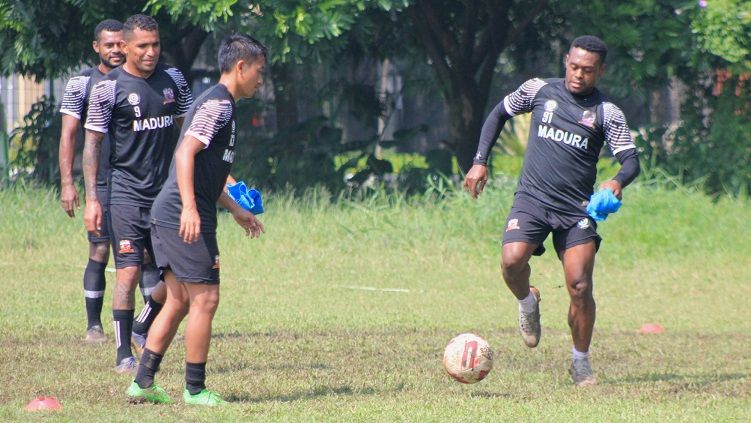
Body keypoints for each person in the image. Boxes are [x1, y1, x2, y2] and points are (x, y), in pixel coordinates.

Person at [463, 35, 640, 387]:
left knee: (579, 285)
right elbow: (499, 113)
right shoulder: (539, 89)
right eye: (574, 66)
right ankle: (528, 302)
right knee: (512, 262)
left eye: (587, 70)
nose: (578, 74)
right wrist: (480, 162)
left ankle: (580, 362)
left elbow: (631, 161)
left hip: (576, 209)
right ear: (566, 61)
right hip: (532, 199)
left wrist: (617, 181)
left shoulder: (607, 113)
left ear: (600, 71)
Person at [126, 33, 266, 406]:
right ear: (241, 67)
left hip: (177, 210)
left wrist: (235, 209)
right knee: (206, 299)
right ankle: (195, 389)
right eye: (259, 71)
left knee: (178, 300)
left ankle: (143, 382)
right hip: (180, 213)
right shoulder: (218, 104)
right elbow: (185, 154)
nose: (261, 79)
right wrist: (189, 207)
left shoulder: (223, 106)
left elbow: (206, 171)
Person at [82, 14, 193, 374]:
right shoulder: (107, 87)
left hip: (168, 196)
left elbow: (189, 129)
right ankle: (122, 353)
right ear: (125, 47)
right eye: (142, 46)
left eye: (156, 44)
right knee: (127, 274)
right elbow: (92, 146)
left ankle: (143, 325)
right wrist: (92, 199)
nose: (150, 52)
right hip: (126, 194)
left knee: (177, 275)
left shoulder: (173, 80)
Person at [58, 19, 125, 343]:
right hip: (98, 181)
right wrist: (68, 183)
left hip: (134, 180)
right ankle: (93, 326)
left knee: (142, 254)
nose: (115, 49)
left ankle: (141, 326)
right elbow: (69, 135)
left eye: (120, 43)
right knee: (99, 249)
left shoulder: (136, 80)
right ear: (96, 46)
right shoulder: (80, 83)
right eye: (108, 44)